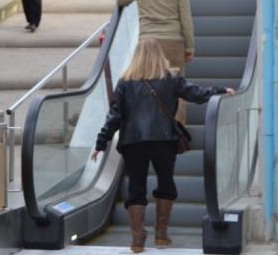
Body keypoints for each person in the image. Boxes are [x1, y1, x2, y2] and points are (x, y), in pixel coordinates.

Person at [91, 39, 233, 253]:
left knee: (136, 188)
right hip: (164, 140)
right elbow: (197, 94)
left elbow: (114, 116)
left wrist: (101, 143)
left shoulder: (125, 82)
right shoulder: (171, 79)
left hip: (133, 142)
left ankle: (137, 239)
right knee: (166, 183)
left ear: (136, 56)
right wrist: (221, 90)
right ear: (160, 55)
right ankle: (161, 235)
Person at [116, 0, 194, 124]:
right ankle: (178, 129)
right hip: (173, 42)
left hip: (147, 44)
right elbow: (186, 20)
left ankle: (151, 126)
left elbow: (121, 0)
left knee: (147, 82)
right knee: (178, 85)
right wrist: (189, 47)